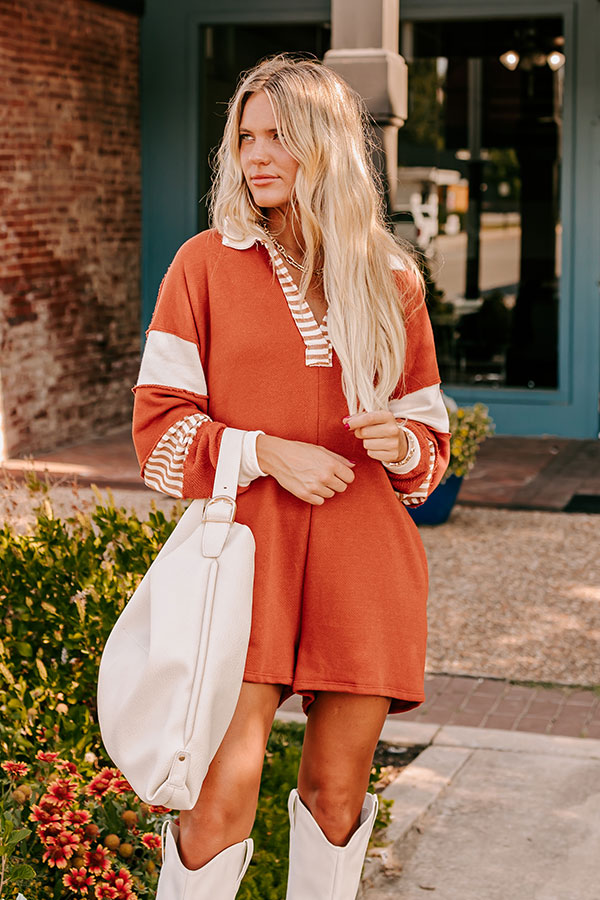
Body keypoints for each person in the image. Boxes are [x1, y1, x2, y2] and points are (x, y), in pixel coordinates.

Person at [132, 54, 450, 900]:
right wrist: (266, 451)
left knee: (337, 797)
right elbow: (157, 435)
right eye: (246, 138)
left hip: (365, 558)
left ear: (327, 144)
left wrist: (401, 444)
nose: (257, 155)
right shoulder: (203, 264)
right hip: (246, 555)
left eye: (280, 136)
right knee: (216, 799)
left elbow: (430, 447)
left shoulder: (393, 278)